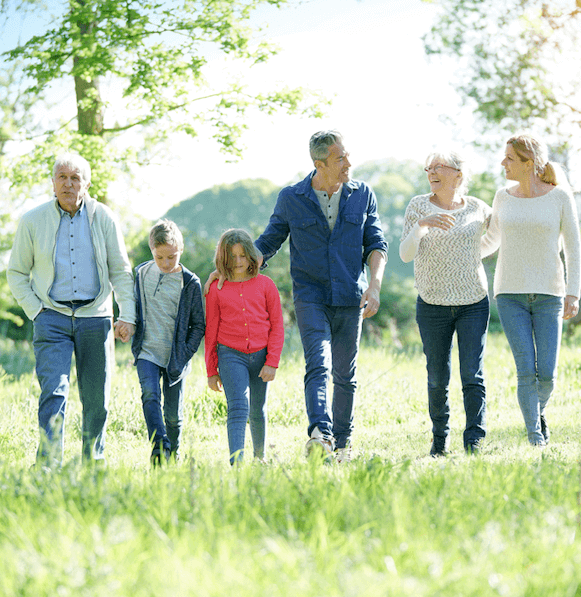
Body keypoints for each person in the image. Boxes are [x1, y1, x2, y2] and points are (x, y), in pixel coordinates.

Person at [209, 130, 388, 462]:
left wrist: (374, 286)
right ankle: (320, 434)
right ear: (319, 164)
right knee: (317, 363)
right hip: (311, 296)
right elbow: (268, 241)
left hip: (351, 295)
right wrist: (230, 268)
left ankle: (343, 445)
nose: (348, 163)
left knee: (345, 374)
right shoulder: (292, 197)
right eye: (340, 158)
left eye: (347, 155)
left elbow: (376, 244)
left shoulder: (363, 194)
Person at [7, 151, 136, 466]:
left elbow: (120, 270)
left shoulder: (104, 217)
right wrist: (37, 311)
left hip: (97, 319)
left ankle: (94, 463)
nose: (68, 184)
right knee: (54, 394)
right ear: (52, 183)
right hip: (51, 319)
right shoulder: (32, 220)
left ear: (86, 184)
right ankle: (49, 466)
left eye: (75, 178)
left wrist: (127, 315)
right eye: (62, 177)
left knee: (97, 400)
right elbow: (16, 272)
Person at [481, 133, 581, 446]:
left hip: (550, 294)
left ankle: (537, 414)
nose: (503, 163)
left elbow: (574, 248)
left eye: (510, 158)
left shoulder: (560, 197)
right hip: (510, 294)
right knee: (526, 370)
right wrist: (458, 250)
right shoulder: (502, 196)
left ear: (529, 163)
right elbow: (491, 240)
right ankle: (535, 436)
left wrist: (573, 292)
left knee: (547, 374)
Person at [399, 149, 492, 456]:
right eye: (429, 167)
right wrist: (421, 225)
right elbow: (405, 253)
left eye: (439, 167)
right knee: (438, 377)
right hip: (432, 303)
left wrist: (475, 254)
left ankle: (474, 441)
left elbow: (497, 235)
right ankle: (440, 442)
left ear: (458, 174)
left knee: (471, 374)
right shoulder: (417, 206)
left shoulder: (478, 207)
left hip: (473, 301)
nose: (432, 172)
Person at [205, 229, 284, 464]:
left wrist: (272, 362)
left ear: (251, 255)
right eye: (232, 256)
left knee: (257, 410)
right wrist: (211, 371)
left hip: (261, 356)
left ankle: (260, 458)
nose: (238, 262)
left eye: (242, 255)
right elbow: (211, 331)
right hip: (230, 355)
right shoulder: (216, 289)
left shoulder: (266, 285)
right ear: (223, 259)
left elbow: (277, 326)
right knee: (238, 408)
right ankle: (236, 463)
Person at [131, 219, 205, 467]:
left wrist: (184, 353)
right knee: (150, 394)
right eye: (159, 257)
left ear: (180, 251)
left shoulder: (190, 282)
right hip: (147, 352)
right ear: (152, 250)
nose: (165, 263)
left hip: (175, 358)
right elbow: (131, 306)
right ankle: (159, 445)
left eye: (171, 257)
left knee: (173, 416)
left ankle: (172, 457)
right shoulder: (141, 274)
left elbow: (199, 325)